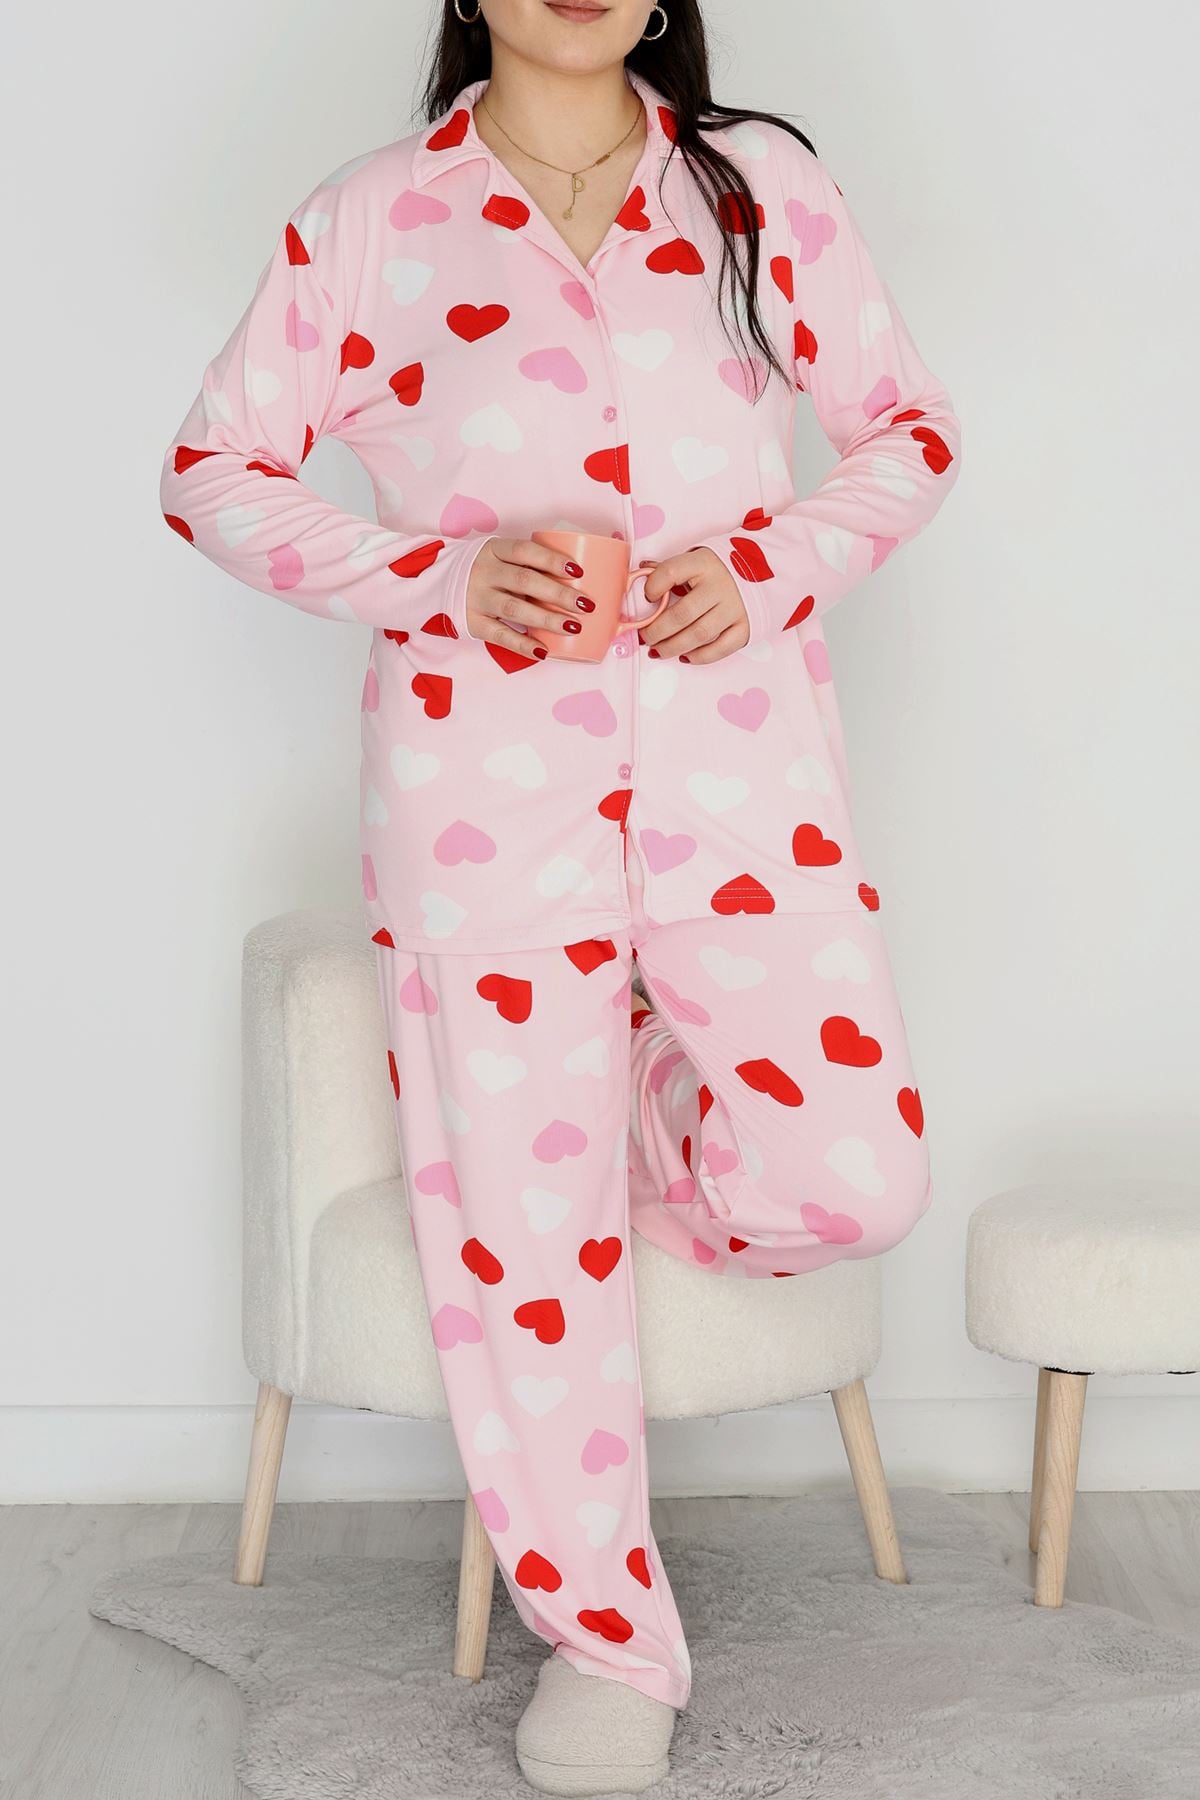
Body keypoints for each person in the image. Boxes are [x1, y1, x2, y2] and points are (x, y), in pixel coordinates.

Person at [159, 1, 962, 1790]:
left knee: (856, 1174)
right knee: (529, 1261)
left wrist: (770, 567)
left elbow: (907, 430)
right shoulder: (374, 214)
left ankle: (639, 1125)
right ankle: (607, 1643)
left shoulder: (757, 187)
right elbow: (210, 472)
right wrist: (439, 579)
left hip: (745, 788)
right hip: (482, 815)